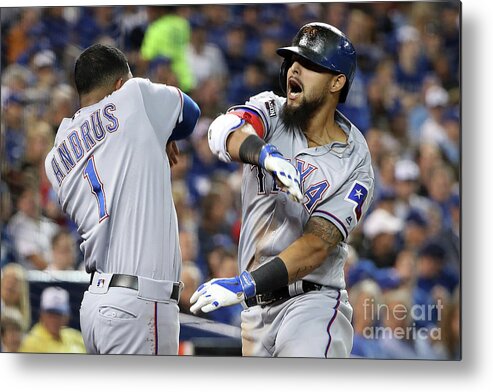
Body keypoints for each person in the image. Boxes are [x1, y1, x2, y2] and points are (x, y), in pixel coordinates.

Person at [190, 22, 375, 358]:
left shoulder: (355, 160)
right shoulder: (270, 110)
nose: (295, 69)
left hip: (313, 304)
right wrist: (266, 155)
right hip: (256, 314)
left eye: (310, 65)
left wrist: (244, 283)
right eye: (293, 61)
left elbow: (317, 246)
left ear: (337, 82)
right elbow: (221, 132)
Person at [44, 43, 200, 355]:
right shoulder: (134, 95)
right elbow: (191, 114)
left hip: (96, 305)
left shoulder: (55, 156)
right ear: (120, 84)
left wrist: (154, 132)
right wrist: (164, 132)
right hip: (139, 305)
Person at [19, 286, 86, 353]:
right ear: (41, 314)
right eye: (50, 314)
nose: (54, 319)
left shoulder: (76, 337)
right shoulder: (31, 342)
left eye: (59, 314)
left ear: (67, 317)